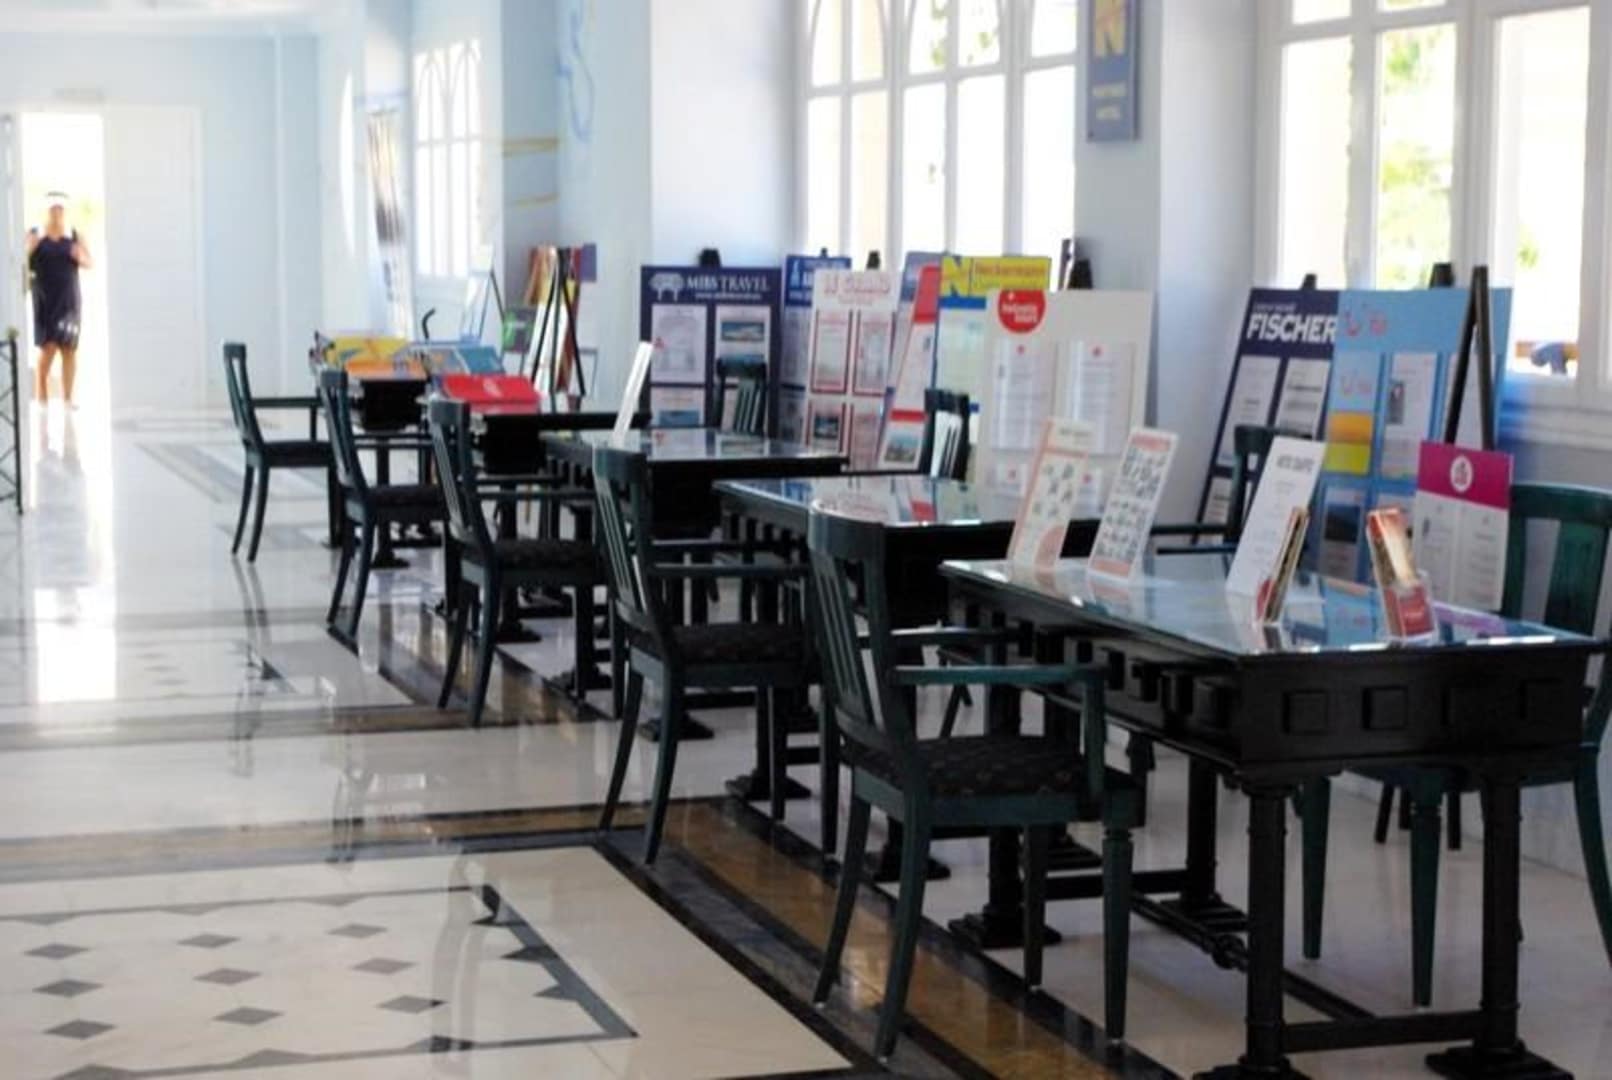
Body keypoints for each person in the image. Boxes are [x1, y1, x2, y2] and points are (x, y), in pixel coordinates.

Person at [24, 191, 91, 406]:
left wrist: (80, 256)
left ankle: (68, 399)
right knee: (48, 349)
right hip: (45, 300)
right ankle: (42, 399)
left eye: (60, 209)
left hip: (69, 300)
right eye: (52, 208)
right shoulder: (34, 234)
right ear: (46, 211)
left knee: (69, 349)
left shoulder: (74, 235)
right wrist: (30, 248)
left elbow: (89, 262)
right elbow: (20, 262)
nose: (56, 212)